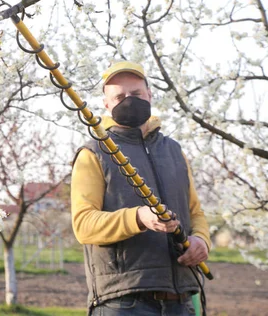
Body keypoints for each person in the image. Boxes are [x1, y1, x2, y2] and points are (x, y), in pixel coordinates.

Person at [71, 61, 211, 315]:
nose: (129, 100)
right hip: (123, 301)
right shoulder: (94, 153)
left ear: (149, 95)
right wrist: (138, 217)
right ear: (106, 104)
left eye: (135, 94)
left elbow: (195, 213)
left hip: (181, 300)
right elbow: (83, 225)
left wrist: (201, 241)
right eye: (119, 96)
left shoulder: (174, 151)